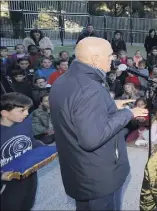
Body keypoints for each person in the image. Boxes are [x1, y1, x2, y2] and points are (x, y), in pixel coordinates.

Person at [49, 37, 148, 210]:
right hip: (99, 175)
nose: (113, 59)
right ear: (95, 59)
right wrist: (128, 113)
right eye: (110, 55)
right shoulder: (89, 89)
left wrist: (110, 105)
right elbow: (91, 138)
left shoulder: (64, 81)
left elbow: (75, 113)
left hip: (78, 169)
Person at [1, 92, 41, 210]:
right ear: (4, 113)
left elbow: (31, 142)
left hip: (29, 174)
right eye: (22, 110)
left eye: (27, 110)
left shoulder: (25, 122)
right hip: (8, 183)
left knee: (28, 203)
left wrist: (46, 149)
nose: (27, 114)